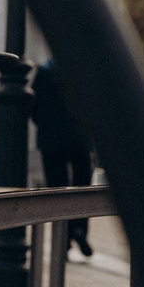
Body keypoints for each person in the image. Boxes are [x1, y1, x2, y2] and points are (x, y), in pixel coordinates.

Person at [32, 59, 93, 256]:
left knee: (57, 190)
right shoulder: (83, 70)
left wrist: (45, 123)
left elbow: (34, 106)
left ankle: (62, 238)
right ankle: (79, 228)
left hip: (51, 139)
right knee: (82, 186)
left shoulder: (43, 73)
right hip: (79, 138)